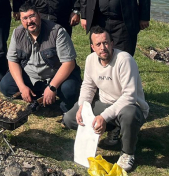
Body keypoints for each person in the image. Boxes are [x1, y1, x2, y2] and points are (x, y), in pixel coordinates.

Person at [62, 27, 149, 173]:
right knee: (70, 118)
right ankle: (114, 128)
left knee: (129, 114)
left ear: (112, 43)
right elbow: (88, 86)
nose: (103, 47)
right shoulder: (90, 60)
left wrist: (103, 117)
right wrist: (83, 106)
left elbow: (129, 96)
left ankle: (127, 153)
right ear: (93, 47)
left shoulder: (125, 60)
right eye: (98, 44)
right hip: (105, 104)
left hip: (131, 106)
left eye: (106, 43)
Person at [0, 2, 81, 117]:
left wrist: (52, 87)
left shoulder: (57, 31)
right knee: (5, 86)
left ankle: (63, 107)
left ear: (39, 15)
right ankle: (38, 98)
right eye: (25, 18)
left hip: (54, 76)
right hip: (31, 77)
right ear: (21, 20)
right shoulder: (17, 33)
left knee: (69, 90)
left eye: (32, 16)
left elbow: (69, 63)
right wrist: (22, 87)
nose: (29, 21)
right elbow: (12, 61)